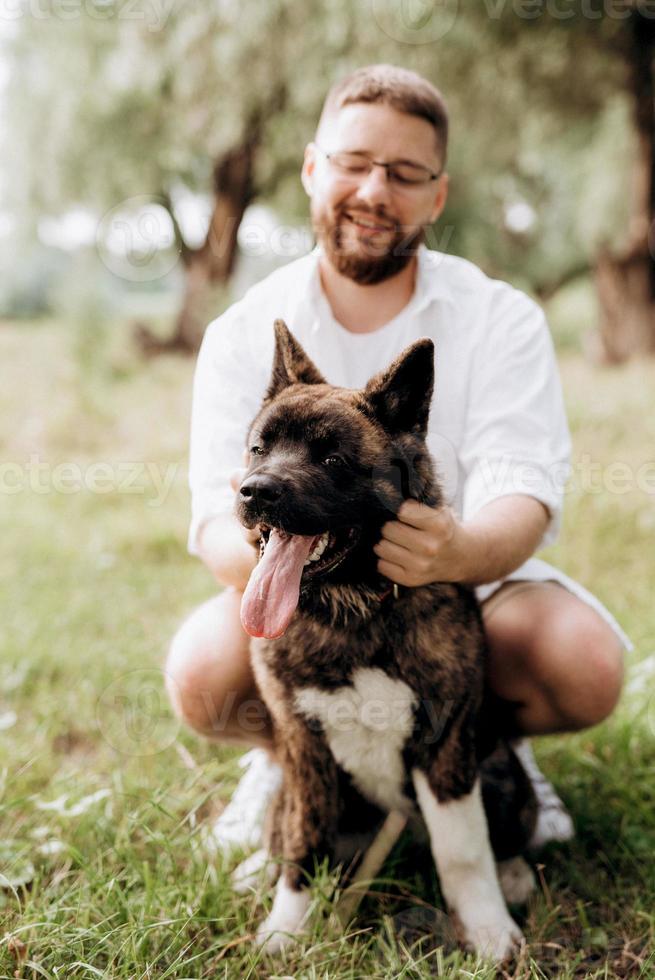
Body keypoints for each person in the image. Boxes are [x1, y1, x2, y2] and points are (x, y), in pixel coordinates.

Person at [165, 64, 630, 858]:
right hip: (303, 592)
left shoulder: (499, 317)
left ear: (436, 195)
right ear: (313, 168)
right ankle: (293, 757)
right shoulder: (246, 330)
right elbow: (215, 513)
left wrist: (456, 550)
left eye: (404, 173)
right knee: (204, 672)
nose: (374, 191)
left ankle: (480, 752)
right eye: (353, 163)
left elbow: (524, 484)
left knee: (581, 662)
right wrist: (282, 556)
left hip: (462, 589)